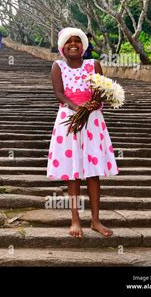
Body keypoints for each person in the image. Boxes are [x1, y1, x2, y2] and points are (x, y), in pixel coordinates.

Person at [47, 27, 120, 238]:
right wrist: (77, 108)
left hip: (93, 122)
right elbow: (59, 93)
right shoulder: (57, 66)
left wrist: (94, 103)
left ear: (83, 46)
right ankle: (75, 219)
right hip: (69, 121)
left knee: (93, 172)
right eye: (68, 41)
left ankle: (95, 220)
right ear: (62, 46)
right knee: (73, 172)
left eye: (77, 41)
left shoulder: (93, 64)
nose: (73, 44)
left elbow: (101, 91)